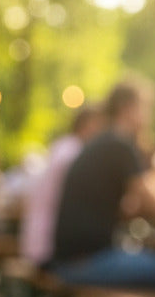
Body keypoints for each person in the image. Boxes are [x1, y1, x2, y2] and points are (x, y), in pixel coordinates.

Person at [50, 76, 155, 291]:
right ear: (127, 108)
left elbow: (123, 207)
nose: (152, 117)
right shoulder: (119, 144)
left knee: (153, 266)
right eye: (147, 108)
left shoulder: (103, 142)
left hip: (71, 258)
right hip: (84, 262)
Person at [19, 102, 104, 267]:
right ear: (89, 123)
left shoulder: (63, 146)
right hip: (50, 248)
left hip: (37, 244)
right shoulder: (75, 153)